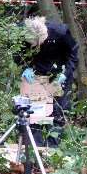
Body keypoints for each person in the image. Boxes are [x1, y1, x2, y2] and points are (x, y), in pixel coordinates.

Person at [15, 16, 78, 147]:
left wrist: (65, 74)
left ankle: (52, 149)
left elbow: (73, 53)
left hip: (58, 75)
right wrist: (25, 67)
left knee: (58, 113)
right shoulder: (21, 32)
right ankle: (35, 149)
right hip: (35, 75)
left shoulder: (60, 31)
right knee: (33, 114)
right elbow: (17, 54)